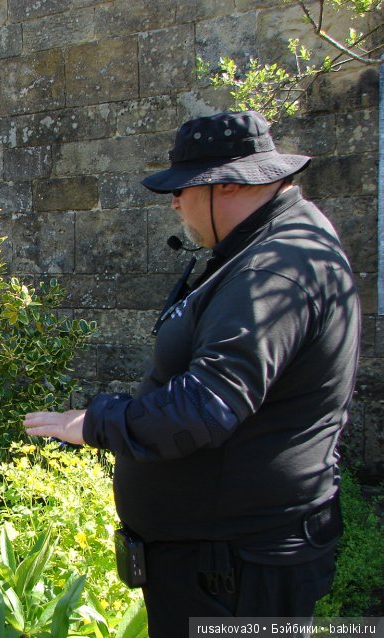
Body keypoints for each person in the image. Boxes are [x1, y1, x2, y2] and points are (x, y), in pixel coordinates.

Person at [24, 111, 361, 635]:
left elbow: (207, 406)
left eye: (183, 189)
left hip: (236, 568)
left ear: (226, 184)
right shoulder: (270, 243)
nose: (176, 203)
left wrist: (100, 422)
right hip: (220, 560)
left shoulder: (275, 269)